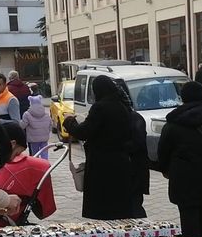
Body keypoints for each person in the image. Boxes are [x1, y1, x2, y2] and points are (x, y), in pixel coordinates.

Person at [64, 75, 135, 220]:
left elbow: (83, 132)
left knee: (103, 206)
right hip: (121, 163)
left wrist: (69, 121)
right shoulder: (123, 106)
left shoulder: (100, 107)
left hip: (102, 164)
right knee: (119, 207)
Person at [158, 81, 202, 237]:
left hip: (182, 176)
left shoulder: (173, 122)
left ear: (182, 97)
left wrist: (165, 170)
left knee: (188, 214)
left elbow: (163, 152)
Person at [114, 80, 149, 218]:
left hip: (132, 168)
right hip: (132, 169)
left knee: (134, 206)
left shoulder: (132, 118)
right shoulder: (133, 117)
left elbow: (137, 143)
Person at [20, 94, 51, 159]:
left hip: (33, 139)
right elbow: (50, 125)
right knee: (44, 153)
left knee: (35, 154)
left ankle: (36, 164)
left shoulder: (27, 114)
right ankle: (45, 164)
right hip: (44, 138)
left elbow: (23, 126)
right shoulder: (46, 114)